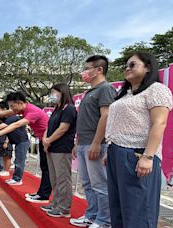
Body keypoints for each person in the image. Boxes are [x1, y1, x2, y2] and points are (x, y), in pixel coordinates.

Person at [105, 53, 173, 228]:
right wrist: (110, 149)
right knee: (118, 206)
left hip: (137, 154)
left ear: (148, 67)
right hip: (116, 152)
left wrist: (148, 156)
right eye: (126, 65)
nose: (127, 68)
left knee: (139, 210)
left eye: (133, 64)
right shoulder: (125, 94)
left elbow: (160, 123)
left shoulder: (156, 89)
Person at [70, 55, 116, 228]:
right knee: (88, 183)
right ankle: (92, 215)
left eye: (88, 68)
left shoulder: (105, 89)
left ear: (99, 70)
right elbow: (85, 121)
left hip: (95, 144)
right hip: (83, 143)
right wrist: (77, 143)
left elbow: (106, 115)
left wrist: (97, 142)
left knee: (100, 184)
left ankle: (104, 221)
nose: (85, 72)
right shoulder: (88, 92)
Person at [0, 92, 50, 202]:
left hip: (49, 140)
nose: (11, 109)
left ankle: (44, 195)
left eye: (12, 106)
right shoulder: (22, 110)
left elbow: (15, 125)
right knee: (45, 168)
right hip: (43, 140)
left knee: (47, 169)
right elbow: (4, 113)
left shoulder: (33, 111)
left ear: (20, 103)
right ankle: (42, 193)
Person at [41, 83, 77, 218]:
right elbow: (48, 127)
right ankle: (56, 203)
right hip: (51, 147)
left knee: (63, 179)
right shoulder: (57, 109)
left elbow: (63, 128)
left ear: (62, 93)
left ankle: (64, 207)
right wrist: (45, 139)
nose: (52, 95)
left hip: (62, 148)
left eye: (54, 92)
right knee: (54, 178)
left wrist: (49, 140)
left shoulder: (69, 109)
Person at [0, 101, 30, 183]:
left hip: (22, 141)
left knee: (19, 161)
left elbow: (2, 126)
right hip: (15, 141)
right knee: (11, 158)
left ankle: (17, 179)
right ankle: (14, 177)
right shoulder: (5, 118)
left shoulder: (13, 117)